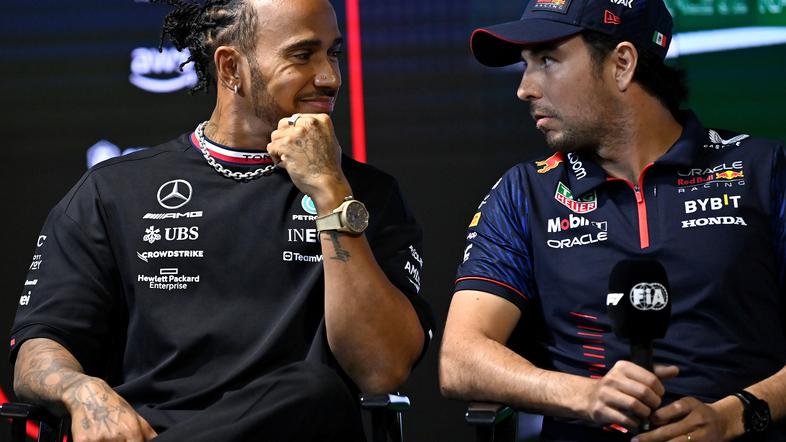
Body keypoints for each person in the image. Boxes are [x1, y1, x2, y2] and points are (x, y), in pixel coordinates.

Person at [9, 0, 432, 441]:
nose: (329, 77)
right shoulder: (112, 190)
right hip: (150, 431)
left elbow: (382, 370)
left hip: (296, 428)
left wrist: (331, 194)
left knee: (314, 390)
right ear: (231, 68)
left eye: (334, 53)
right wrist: (82, 391)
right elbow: (38, 351)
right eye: (303, 55)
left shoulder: (365, 197)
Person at [439, 0, 786, 440]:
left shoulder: (763, 170)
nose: (524, 89)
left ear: (622, 64)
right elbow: (460, 359)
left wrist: (734, 416)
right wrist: (586, 396)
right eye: (526, 65)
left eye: (547, 60)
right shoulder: (524, 193)